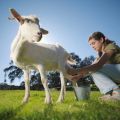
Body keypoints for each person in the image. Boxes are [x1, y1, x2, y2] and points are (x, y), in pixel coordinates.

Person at [66, 31, 120, 101]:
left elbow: (98, 65)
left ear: (101, 40)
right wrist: (79, 76)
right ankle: (112, 94)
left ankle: (118, 94)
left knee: (95, 68)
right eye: (90, 45)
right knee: (93, 70)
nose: (92, 46)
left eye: (93, 43)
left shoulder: (111, 46)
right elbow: (91, 68)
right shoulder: (99, 56)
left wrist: (75, 71)